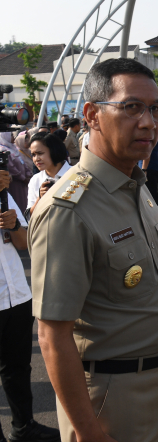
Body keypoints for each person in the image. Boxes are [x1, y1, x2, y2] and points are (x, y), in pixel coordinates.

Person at [29, 58, 158, 442]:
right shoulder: (68, 211)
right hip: (110, 402)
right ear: (93, 116)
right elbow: (53, 335)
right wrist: (87, 431)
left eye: (155, 108)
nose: (149, 122)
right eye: (131, 107)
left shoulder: (136, 187)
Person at [0, 169, 61, 442]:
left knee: (18, 367)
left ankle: (23, 426)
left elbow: (24, 242)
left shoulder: (3, 195)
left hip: (16, 294)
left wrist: (13, 226)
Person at [26, 133, 71, 216]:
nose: (36, 159)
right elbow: (30, 216)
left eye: (40, 153)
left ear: (54, 150)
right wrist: (40, 198)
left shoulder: (75, 174)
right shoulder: (35, 180)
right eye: (33, 155)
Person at [0, 132, 33, 212]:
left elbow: (23, 162)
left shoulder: (13, 148)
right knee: (18, 203)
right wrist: (23, 178)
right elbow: (11, 167)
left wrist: (28, 175)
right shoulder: (3, 150)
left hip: (23, 182)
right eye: (11, 135)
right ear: (5, 136)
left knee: (25, 201)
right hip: (15, 183)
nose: (13, 136)